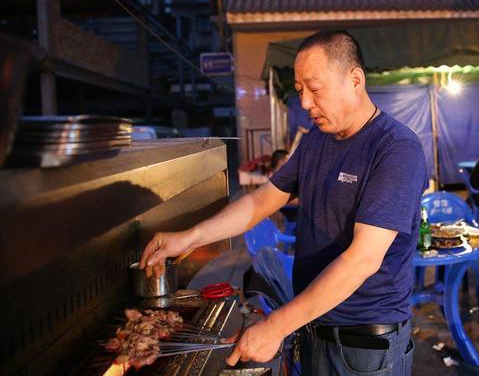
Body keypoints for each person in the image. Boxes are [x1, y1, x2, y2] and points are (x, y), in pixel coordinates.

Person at [139, 30, 426, 375]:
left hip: (364, 346)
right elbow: (261, 201)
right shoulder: (316, 142)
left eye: (315, 89)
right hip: (313, 326)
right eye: (301, 91)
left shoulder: (395, 148)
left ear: (355, 79)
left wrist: (277, 326)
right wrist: (191, 236)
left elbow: (362, 259)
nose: (305, 104)